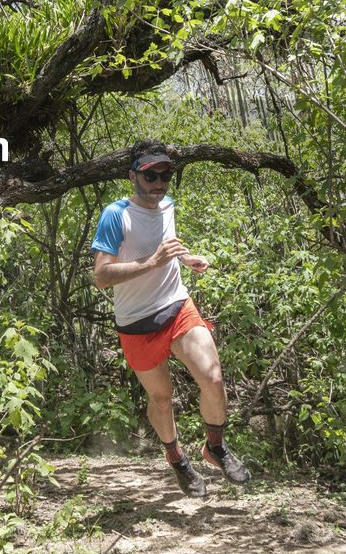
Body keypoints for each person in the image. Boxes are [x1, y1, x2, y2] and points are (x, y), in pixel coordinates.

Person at [91, 139, 251, 497]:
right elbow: (101, 276)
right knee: (162, 399)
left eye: (166, 175)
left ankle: (215, 447)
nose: (159, 183)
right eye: (151, 175)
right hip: (136, 322)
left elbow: (164, 247)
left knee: (212, 377)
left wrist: (186, 258)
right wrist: (153, 263)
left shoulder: (168, 205)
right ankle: (176, 458)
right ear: (133, 175)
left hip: (176, 305)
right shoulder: (115, 215)